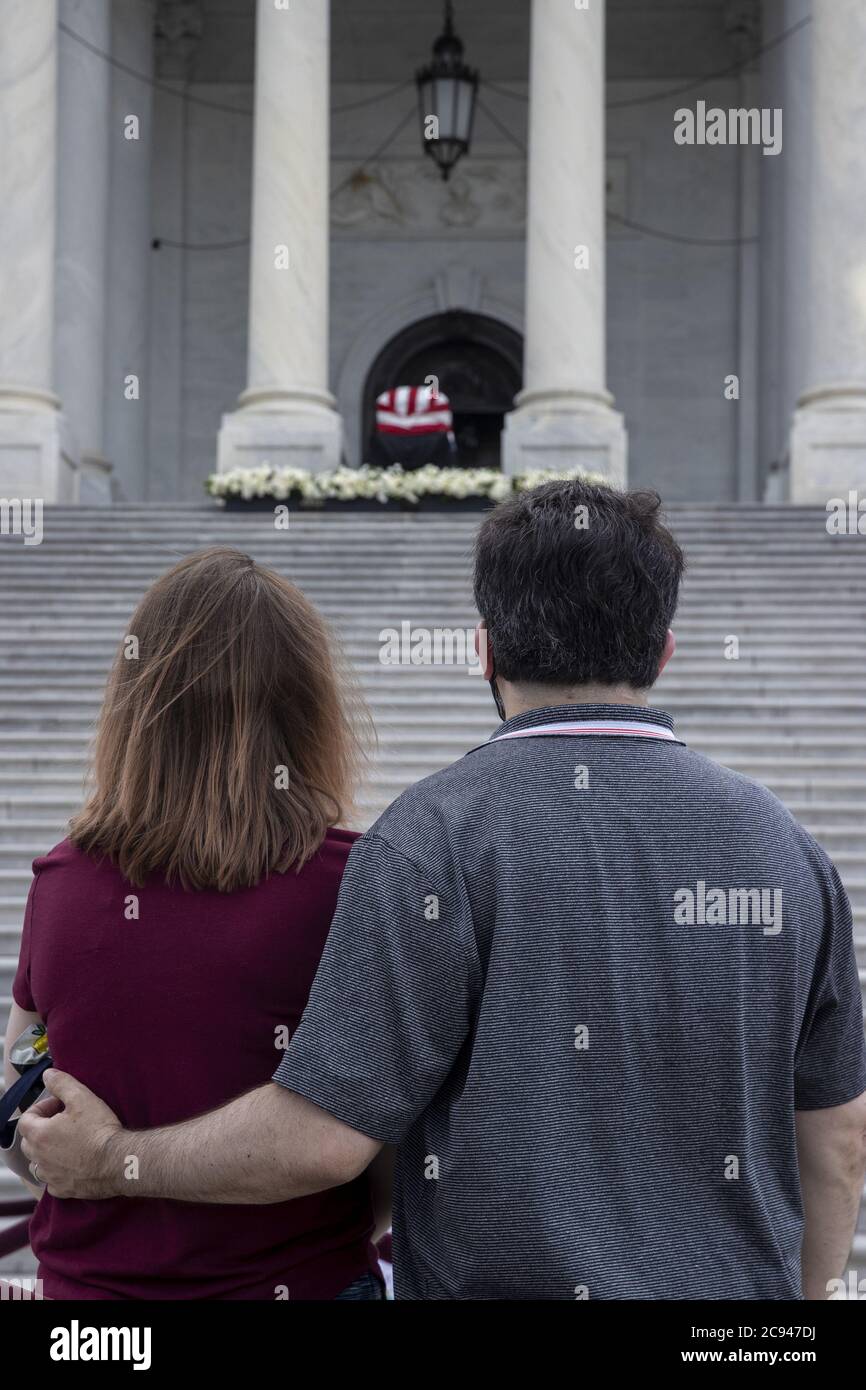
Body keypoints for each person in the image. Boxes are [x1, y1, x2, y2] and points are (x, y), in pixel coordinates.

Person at [20, 481, 866, 1300]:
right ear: (665, 648)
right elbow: (838, 1141)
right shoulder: (789, 852)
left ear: (485, 650)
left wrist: (111, 1160)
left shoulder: (429, 838)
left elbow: (328, 1135)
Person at [4, 547, 388, 1300]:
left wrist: (106, 1158)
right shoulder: (354, 883)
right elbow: (373, 1150)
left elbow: (23, 1120)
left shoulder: (62, 882)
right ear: (307, 710)